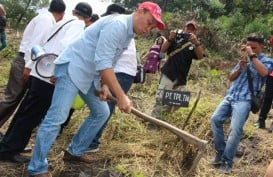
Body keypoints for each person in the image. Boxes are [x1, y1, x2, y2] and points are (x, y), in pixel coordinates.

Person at [27, 2, 165, 177]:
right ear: (140, 11)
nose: (149, 28)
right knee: (57, 117)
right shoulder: (118, 25)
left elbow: (110, 61)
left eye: (153, 27)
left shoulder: (128, 34)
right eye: (149, 22)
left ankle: (74, 151)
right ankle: (37, 168)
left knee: (101, 112)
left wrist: (105, 86)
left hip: (89, 75)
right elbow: (104, 63)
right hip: (73, 67)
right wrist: (121, 96)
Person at [0, 2, 91, 164]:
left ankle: (8, 145)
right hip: (48, 76)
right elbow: (66, 47)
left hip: (39, 71)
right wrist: (59, 71)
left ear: (73, 11)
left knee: (24, 112)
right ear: (88, 19)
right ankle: (10, 150)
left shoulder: (63, 21)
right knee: (31, 116)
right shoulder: (77, 25)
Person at [210, 33, 273, 174]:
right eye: (248, 46)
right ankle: (221, 152)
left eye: (254, 47)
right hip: (231, 96)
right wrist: (240, 67)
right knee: (215, 120)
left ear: (262, 47)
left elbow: (264, 73)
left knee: (235, 130)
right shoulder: (243, 59)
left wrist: (252, 56)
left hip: (245, 100)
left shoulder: (267, 61)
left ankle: (227, 161)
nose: (250, 49)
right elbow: (231, 78)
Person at [0, 0, 65, 131]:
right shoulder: (46, 20)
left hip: (26, 61)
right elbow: (35, 45)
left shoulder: (45, 18)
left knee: (15, 99)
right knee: (11, 99)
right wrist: (29, 67)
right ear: (62, 14)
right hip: (25, 61)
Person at [87, 3, 137, 153]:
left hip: (120, 72)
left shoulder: (117, 28)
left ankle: (92, 142)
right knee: (105, 107)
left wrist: (116, 92)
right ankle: (91, 141)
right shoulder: (123, 30)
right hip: (122, 72)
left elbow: (105, 60)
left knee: (105, 107)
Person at [151, 20, 203, 119]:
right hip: (168, 73)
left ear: (195, 32)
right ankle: (153, 122)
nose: (189, 30)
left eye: (192, 29)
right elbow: (162, 50)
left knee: (180, 101)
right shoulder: (175, 39)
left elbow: (200, 56)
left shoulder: (194, 44)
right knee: (160, 99)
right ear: (184, 28)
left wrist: (196, 43)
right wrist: (170, 39)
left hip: (181, 78)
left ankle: (163, 117)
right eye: (188, 28)